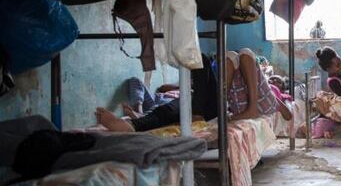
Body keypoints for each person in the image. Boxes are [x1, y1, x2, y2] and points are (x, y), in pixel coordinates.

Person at [96, 49, 292, 132]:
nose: (274, 80)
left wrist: (280, 102)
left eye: (277, 81)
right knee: (172, 107)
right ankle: (135, 122)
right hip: (211, 101)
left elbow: (288, 113)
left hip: (216, 106)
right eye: (273, 79)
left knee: (235, 55)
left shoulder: (273, 92)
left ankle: (136, 123)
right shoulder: (234, 73)